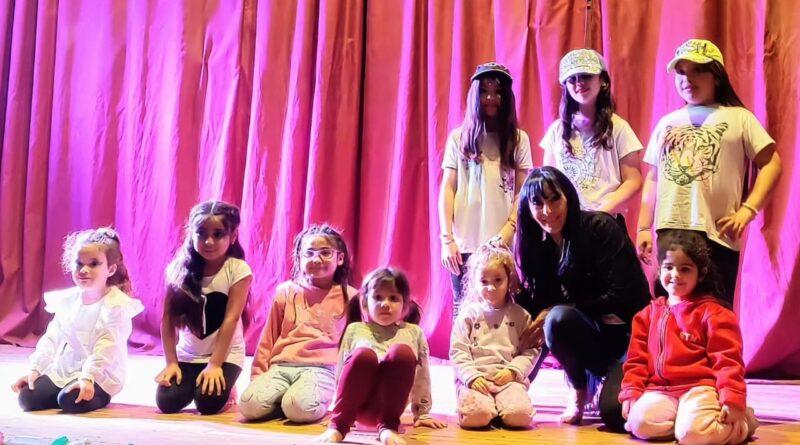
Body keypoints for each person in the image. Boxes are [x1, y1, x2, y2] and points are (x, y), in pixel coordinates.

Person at [637, 38, 782, 303]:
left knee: (714, 312)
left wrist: (748, 210)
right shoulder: (667, 122)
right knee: (670, 309)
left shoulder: (739, 117)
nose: (687, 79)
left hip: (715, 233)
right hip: (670, 230)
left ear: (716, 76)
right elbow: (653, 176)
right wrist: (643, 227)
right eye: (681, 72)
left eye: (698, 70)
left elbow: (772, 163)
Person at [515, 166, 651, 431]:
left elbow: (623, 293)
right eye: (537, 203)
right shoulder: (539, 248)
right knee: (555, 320)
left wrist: (564, 307)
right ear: (528, 208)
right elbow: (540, 314)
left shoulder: (600, 227)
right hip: (593, 336)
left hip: (630, 335)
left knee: (615, 415)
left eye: (554, 199)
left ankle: (621, 382)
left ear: (568, 196)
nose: (547, 211)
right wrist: (514, 286)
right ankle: (579, 388)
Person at [620, 230, 758, 444]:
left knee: (692, 435)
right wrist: (631, 391)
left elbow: (728, 361)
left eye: (685, 269)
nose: (675, 275)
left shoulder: (714, 313)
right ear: (659, 269)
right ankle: (685, 421)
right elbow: (636, 361)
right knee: (639, 424)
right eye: (669, 267)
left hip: (700, 388)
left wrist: (733, 398)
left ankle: (742, 422)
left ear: (700, 274)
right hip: (661, 390)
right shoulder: (646, 315)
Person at [12, 228, 143, 413]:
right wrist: (36, 369)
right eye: (79, 263)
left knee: (69, 400)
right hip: (68, 369)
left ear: (111, 269)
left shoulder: (116, 306)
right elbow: (52, 338)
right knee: (28, 398)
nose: (84, 270)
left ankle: (92, 393)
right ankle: (60, 388)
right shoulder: (68, 301)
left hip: (99, 374)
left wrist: (88, 377)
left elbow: (106, 348)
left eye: (94, 264)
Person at [438, 62, 533, 317]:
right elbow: (448, 188)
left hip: (502, 242)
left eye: (498, 92)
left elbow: (522, 194)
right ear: (474, 95)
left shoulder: (519, 139)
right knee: (463, 309)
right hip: (464, 242)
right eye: (484, 91)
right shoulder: (459, 138)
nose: (490, 97)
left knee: (503, 308)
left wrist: (506, 233)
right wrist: (447, 239)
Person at [239, 224, 357, 423]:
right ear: (299, 258)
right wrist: (258, 376)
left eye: (325, 253)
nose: (316, 259)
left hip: (322, 369)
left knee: (299, 407)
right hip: (281, 367)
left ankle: (296, 401)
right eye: (309, 253)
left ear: (340, 258)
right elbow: (268, 338)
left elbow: (355, 346)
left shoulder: (351, 297)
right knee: (249, 405)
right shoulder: (286, 291)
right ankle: (286, 400)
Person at [317, 268, 446, 445]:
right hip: (358, 408)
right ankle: (339, 429)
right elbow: (342, 373)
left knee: (401, 352)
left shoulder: (413, 332)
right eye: (378, 297)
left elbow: (422, 375)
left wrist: (422, 412)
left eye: (393, 298)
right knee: (364, 355)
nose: (385, 304)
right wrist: (337, 417)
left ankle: (388, 428)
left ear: (405, 305)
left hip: (390, 409)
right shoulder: (355, 330)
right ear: (365, 303)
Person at [154, 200, 253, 415]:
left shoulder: (238, 270)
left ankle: (229, 383)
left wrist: (215, 365)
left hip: (224, 355)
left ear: (233, 236)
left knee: (208, 403)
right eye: (201, 233)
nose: (209, 241)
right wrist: (171, 362)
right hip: (189, 355)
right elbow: (167, 319)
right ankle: (196, 378)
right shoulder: (177, 270)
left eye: (218, 234)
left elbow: (231, 319)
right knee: (167, 402)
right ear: (191, 233)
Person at [541, 49, 642, 221]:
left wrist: (602, 212)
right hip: (566, 221)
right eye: (572, 79)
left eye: (586, 76)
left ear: (602, 80)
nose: (579, 83)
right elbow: (548, 179)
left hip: (605, 221)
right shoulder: (556, 130)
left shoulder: (619, 128)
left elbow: (633, 180)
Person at [450, 244, 539, 428]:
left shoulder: (521, 316)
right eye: (484, 281)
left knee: (519, 417)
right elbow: (458, 351)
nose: (491, 287)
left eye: (498, 280)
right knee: (476, 417)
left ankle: (500, 408)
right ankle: (486, 408)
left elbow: (531, 349)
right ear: (474, 282)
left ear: (509, 280)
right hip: (476, 382)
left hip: (509, 381)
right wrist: (471, 377)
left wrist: (513, 371)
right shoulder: (467, 316)